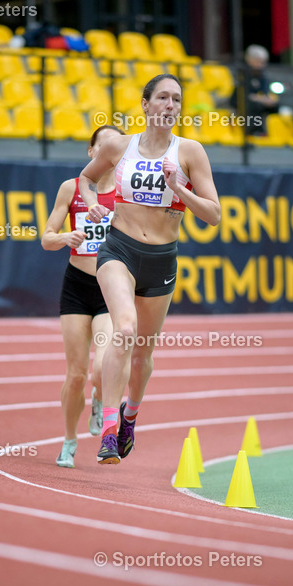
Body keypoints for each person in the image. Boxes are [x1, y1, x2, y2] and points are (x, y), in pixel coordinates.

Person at [80, 74, 221, 464]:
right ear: (145, 104)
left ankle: (130, 416)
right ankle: (109, 431)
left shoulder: (190, 152)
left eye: (176, 99)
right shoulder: (118, 146)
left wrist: (180, 188)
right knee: (124, 330)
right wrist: (91, 202)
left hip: (161, 260)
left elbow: (213, 215)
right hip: (119, 249)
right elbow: (86, 178)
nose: (169, 105)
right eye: (162, 97)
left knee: (142, 353)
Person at [41, 125, 123, 468]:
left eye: (115, 146)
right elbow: (47, 238)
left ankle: (99, 399)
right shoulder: (71, 188)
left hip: (110, 288)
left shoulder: (125, 192)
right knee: (75, 375)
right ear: (91, 152)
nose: (108, 152)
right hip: (76, 286)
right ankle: (69, 440)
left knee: (100, 369)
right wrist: (66, 237)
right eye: (102, 146)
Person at [231, 45, 278, 136]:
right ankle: (252, 132)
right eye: (258, 61)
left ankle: (273, 133)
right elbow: (243, 95)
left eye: (263, 62)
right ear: (250, 60)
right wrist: (259, 99)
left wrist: (269, 100)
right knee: (253, 105)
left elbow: (265, 93)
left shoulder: (263, 77)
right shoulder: (243, 74)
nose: (261, 65)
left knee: (275, 106)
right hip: (240, 103)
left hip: (258, 103)